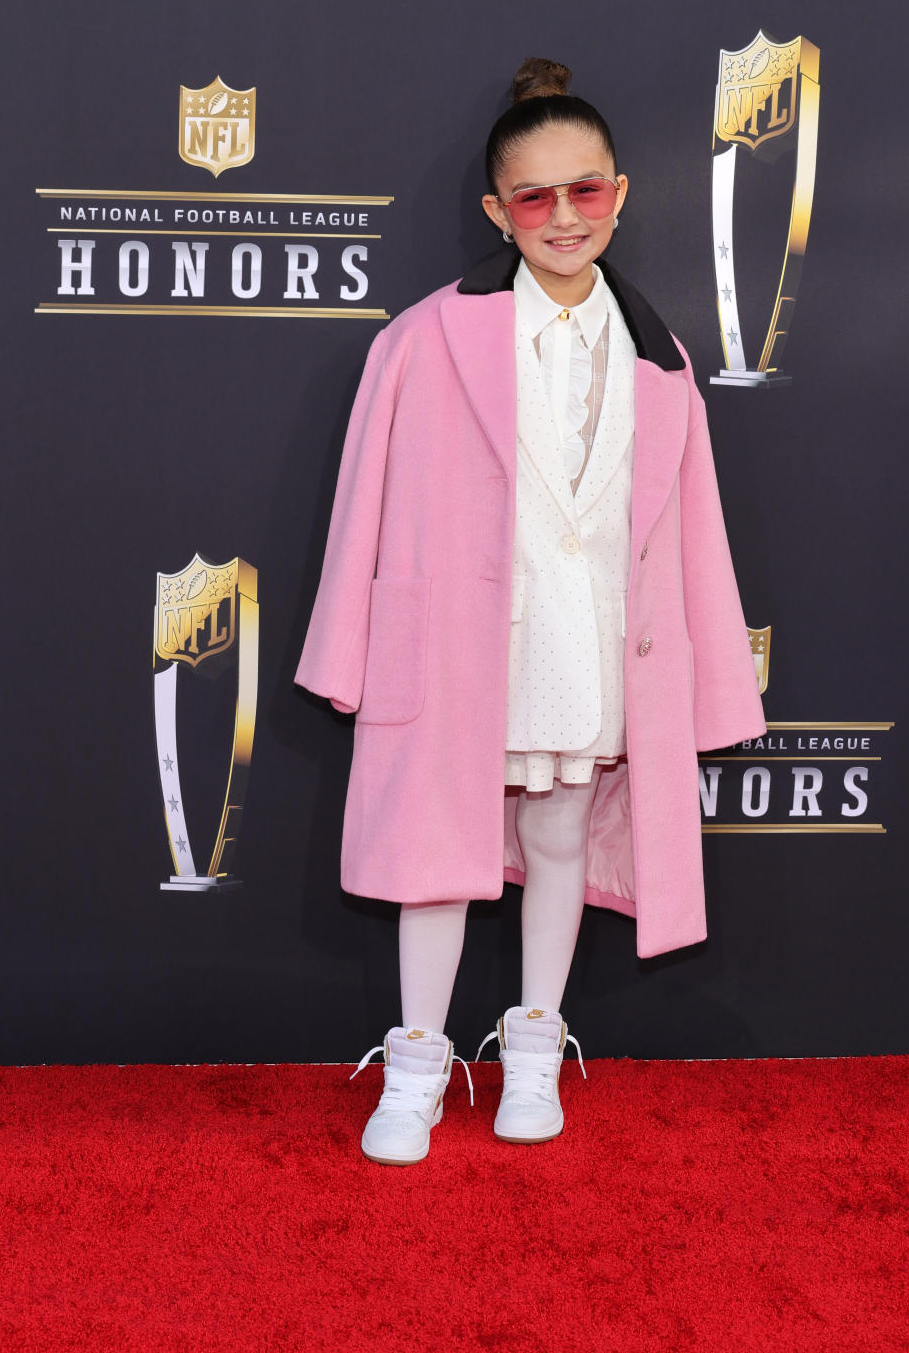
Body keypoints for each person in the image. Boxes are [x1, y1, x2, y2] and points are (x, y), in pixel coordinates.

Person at [295, 56, 767, 1165]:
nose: (564, 217)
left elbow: (693, 533)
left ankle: (534, 1049)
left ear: (621, 193)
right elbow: (361, 501)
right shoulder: (422, 339)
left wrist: (709, 684)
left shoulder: (664, 363)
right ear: (496, 212)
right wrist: (346, 654)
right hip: (465, 649)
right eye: (536, 197)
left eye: (585, 191)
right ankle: (415, 1064)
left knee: (559, 836)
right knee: (437, 859)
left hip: (595, 642)